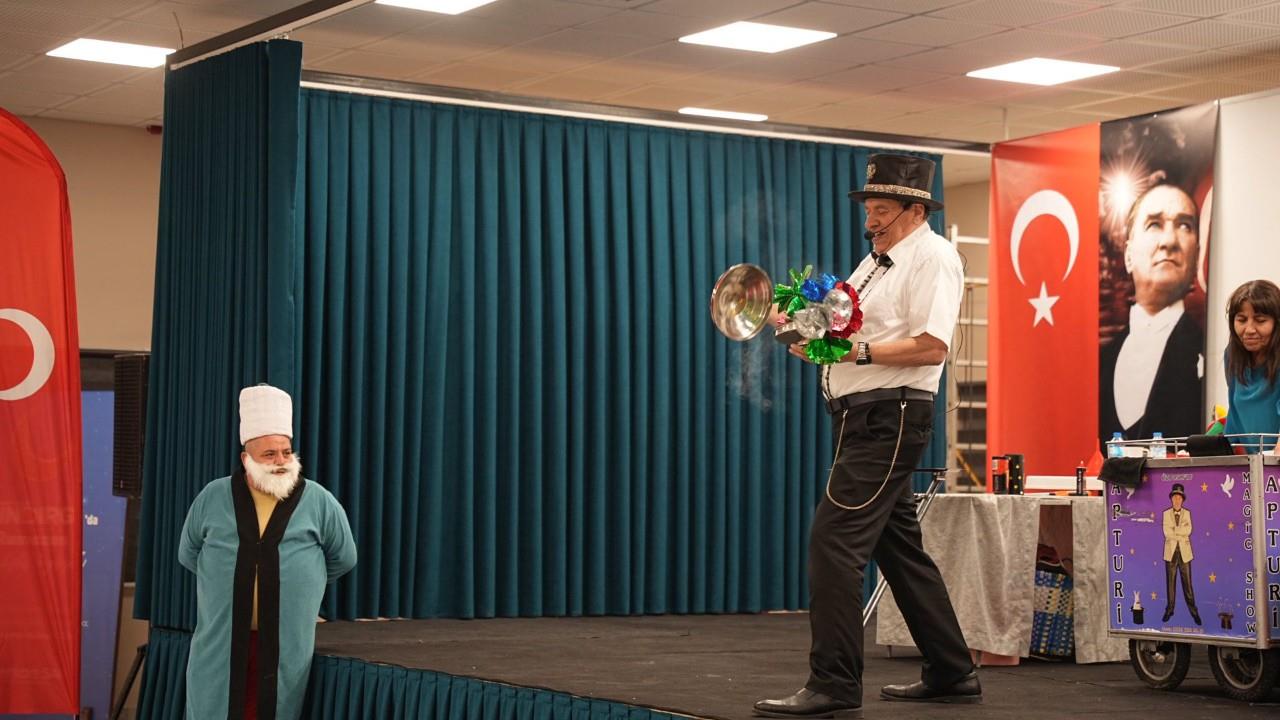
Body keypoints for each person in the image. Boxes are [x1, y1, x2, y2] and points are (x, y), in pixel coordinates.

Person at [754, 154, 977, 719]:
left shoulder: (933, 258)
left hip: (889, 417)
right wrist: (795, 325)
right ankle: (953, 671)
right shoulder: (873, 263)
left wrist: (853, 352)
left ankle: (834, 684)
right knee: (899, 550)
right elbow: (837, 327)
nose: (870, 220)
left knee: (832, 543)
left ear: (915, 210)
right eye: (869, 208)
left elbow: (932, 347)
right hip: (862, 416)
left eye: (881, 209)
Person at [180, 384, 357, 720]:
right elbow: (188, 553)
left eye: (286, 452)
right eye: (269, 454)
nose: (280, 462)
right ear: (246, 459)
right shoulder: (212, 497)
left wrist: (301, 583)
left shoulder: (318, 501)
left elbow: (343, 557)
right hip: (221, 643)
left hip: (284, 645)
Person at [1099, 183, 1204, 445]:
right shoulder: (1103, 360)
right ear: (1128, 256)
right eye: (1154, 224)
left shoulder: (1208, 352)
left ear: (1197, 256)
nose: (1169, 241)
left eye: (1184, 226)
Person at [1224, 279, 1280, 452]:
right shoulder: (1232, 355)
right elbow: (1234, 413)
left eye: (1260, 320)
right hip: (1253, 462)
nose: (1249, 330)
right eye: (1241, 320)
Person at [1160, 483, 1199, 624]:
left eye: (1179, 498)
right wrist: (1180, 531)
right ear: (1171, 499)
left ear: (1182, 500)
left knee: (1187, 583)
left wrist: (1175, 530)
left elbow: (1188, 530)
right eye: (1175, 497)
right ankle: (1169, 609)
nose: (1177, 500)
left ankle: (1193, 611)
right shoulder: (1166, 514)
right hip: (1170, 553)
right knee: (1170, 583)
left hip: (1185, 553)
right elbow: (1167, 532)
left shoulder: (1187, 513)